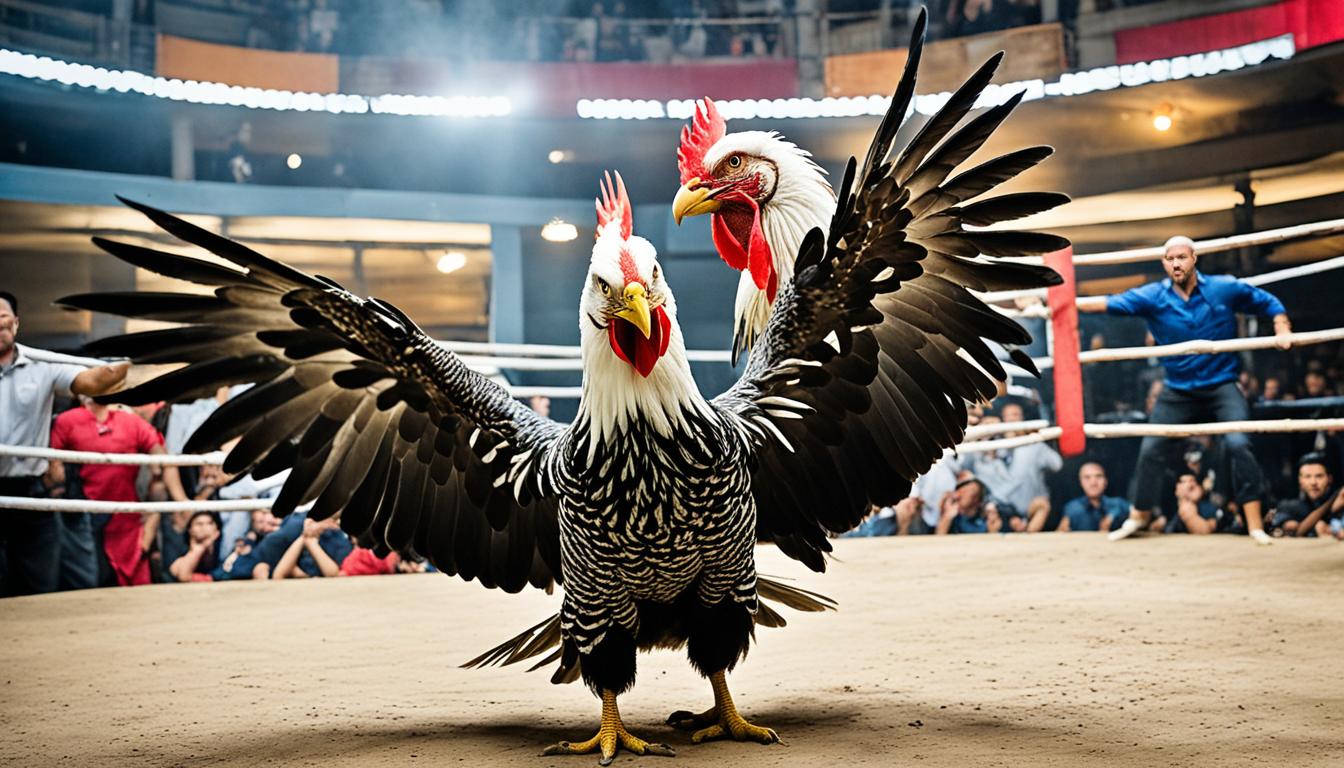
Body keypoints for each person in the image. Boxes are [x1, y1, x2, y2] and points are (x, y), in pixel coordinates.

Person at [1078, 235, 1293, 545]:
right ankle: (1139, 517)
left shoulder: (1223, 287)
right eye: (1169, 258)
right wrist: (1053, 303)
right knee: (1151, 447)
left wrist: (1281, 325)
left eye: (1181, 257)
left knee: (1237, 442)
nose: (1176, 263)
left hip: (1221, 383)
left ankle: (1255, 524)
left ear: (1194, 258)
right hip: (1178, 388)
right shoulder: (1153, 296)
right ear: (1163, 262)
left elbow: (1266, 301)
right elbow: (1108, 303)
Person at [0, 291, 129, 596]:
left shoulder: (42, 363)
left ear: (16, 323)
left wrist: (130, 358)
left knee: (38, 586)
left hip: (30, 490)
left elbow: (95, 382)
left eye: (2, 316)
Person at [47, 397, 166, 587]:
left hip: (127, 519)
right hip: (82, 514)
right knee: (88, 581)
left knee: (135, 584)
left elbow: (161, 463)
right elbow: (53, 472)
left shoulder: (130, 421)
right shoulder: (68, 420)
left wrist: (153, 516)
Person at [1270, 452, 1343, 538]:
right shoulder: (1289, 507)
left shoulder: (1341, 502)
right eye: (1308, 477)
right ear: (1300, 480)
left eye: (1319, 476)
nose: (1313, 482)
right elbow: (1291, 530)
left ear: (1329, 479)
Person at [1060, 461, 1131, 532]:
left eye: (1098, 476)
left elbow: (1137, 516)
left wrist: (1112, 516)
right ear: (1080, 482)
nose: (1093, 482)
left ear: (1105, 481)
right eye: (1087, 477)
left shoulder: (1120, 504)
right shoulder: (1072, 508)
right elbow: (1060, 533)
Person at [167, 510, 222, 582]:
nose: (205, 528)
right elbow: (184, 576)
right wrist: (201, 547)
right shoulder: (180, 552)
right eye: (199, 524)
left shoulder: (223, 550)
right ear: (190, 530)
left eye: (210, 523)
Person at [1166, 469, 1221, 535]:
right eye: (1184, 482)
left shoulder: (1208, 508)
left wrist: (1190, 515)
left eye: (1193, 481)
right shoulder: (1169, 507)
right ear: (1177, 488)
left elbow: (1206, 530)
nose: (1190, 484)